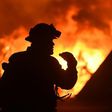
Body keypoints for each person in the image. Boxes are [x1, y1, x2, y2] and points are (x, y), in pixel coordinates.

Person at [0, 23, 77, 112]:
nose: (52, 44)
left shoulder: (17, 59)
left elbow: (3, 88)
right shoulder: (49, 63)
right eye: (49, 40)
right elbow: (67, 83)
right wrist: (72, 64)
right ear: (41, 42)